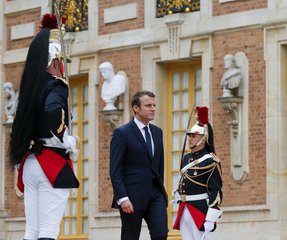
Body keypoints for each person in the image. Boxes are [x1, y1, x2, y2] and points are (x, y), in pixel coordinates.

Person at [9, 13, 79, 240]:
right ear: (55, 61)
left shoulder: (30, 88)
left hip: (29, 162)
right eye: (61, 63)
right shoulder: (57, 87)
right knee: (49, 230)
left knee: (32, 231)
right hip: (51, 162)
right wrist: (63, 137)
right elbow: (52, 112)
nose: (63, 69)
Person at [110, 91, 168, 240]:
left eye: (154, 105)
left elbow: (158, 165)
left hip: (155, 195)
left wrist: (161, 191)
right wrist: (122, 198)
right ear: (136, 108)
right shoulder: (122, 133)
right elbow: (115, 170)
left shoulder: (157, 132)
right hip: (131, 197)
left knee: (161, 234)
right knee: (130, 237)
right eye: (148, 105)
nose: (153, 108)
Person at [172, 106, 223, 240]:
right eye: (189, 136)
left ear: (204, 138)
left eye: (194, 136)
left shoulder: (211, 161)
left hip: (200, 210)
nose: (190, 139)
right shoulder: (186, 158)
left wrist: (211, 219)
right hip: (184, 208)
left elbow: (215, 191)